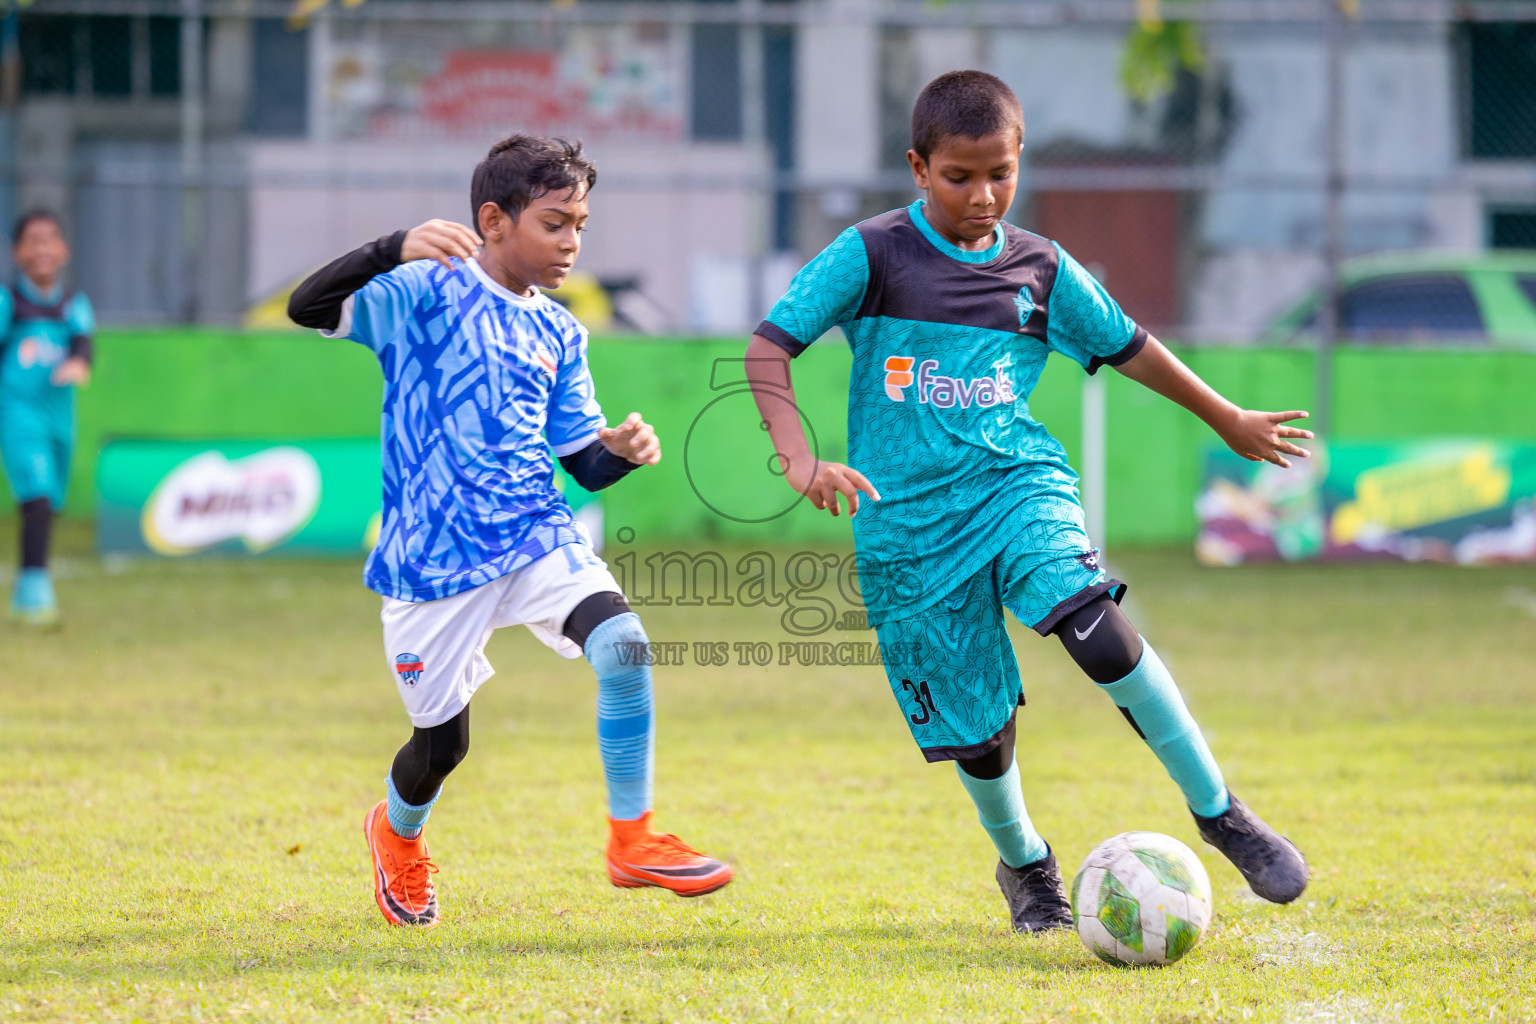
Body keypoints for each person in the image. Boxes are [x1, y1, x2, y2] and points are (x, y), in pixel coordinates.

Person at [745, 71, 1310, 933]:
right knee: (980, 732)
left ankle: (1220, 811)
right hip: (906, 532)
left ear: (1020, 163)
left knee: (1098, 629)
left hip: (1016, 489)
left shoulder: (1040, 267)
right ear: (918, 168)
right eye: (960, 177)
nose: (984, 195)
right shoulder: (872, 254)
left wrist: (1225, 415)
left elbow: (1131, 346)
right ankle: (1025, 865)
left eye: (1001, 173)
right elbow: (768, 347)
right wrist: (797, 457)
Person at [288, 135, 732, 928]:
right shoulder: (423, 292)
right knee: (440, 749)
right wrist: (391, 247)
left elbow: (583, 466)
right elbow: (307, 308)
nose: (572, 244)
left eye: (581, 226)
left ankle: (632, 839)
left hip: (534, 535)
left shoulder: (562, 333)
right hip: (433, 563)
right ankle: (397, 833)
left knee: (623, 646)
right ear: (493, 220)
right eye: (555, 223)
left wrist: (622, 455)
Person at [0, 211, 94, 628]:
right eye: (32, 241)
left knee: (49, 501)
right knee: (35, 494)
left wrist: (78, 364)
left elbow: (83, 345)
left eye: (50, 239)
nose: (42, 248)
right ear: (18, 252)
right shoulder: (8, 302)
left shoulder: (74, 303)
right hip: (19, 414)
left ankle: (25, 589)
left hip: (60, 419)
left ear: (64, 251)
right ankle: (37, 594)